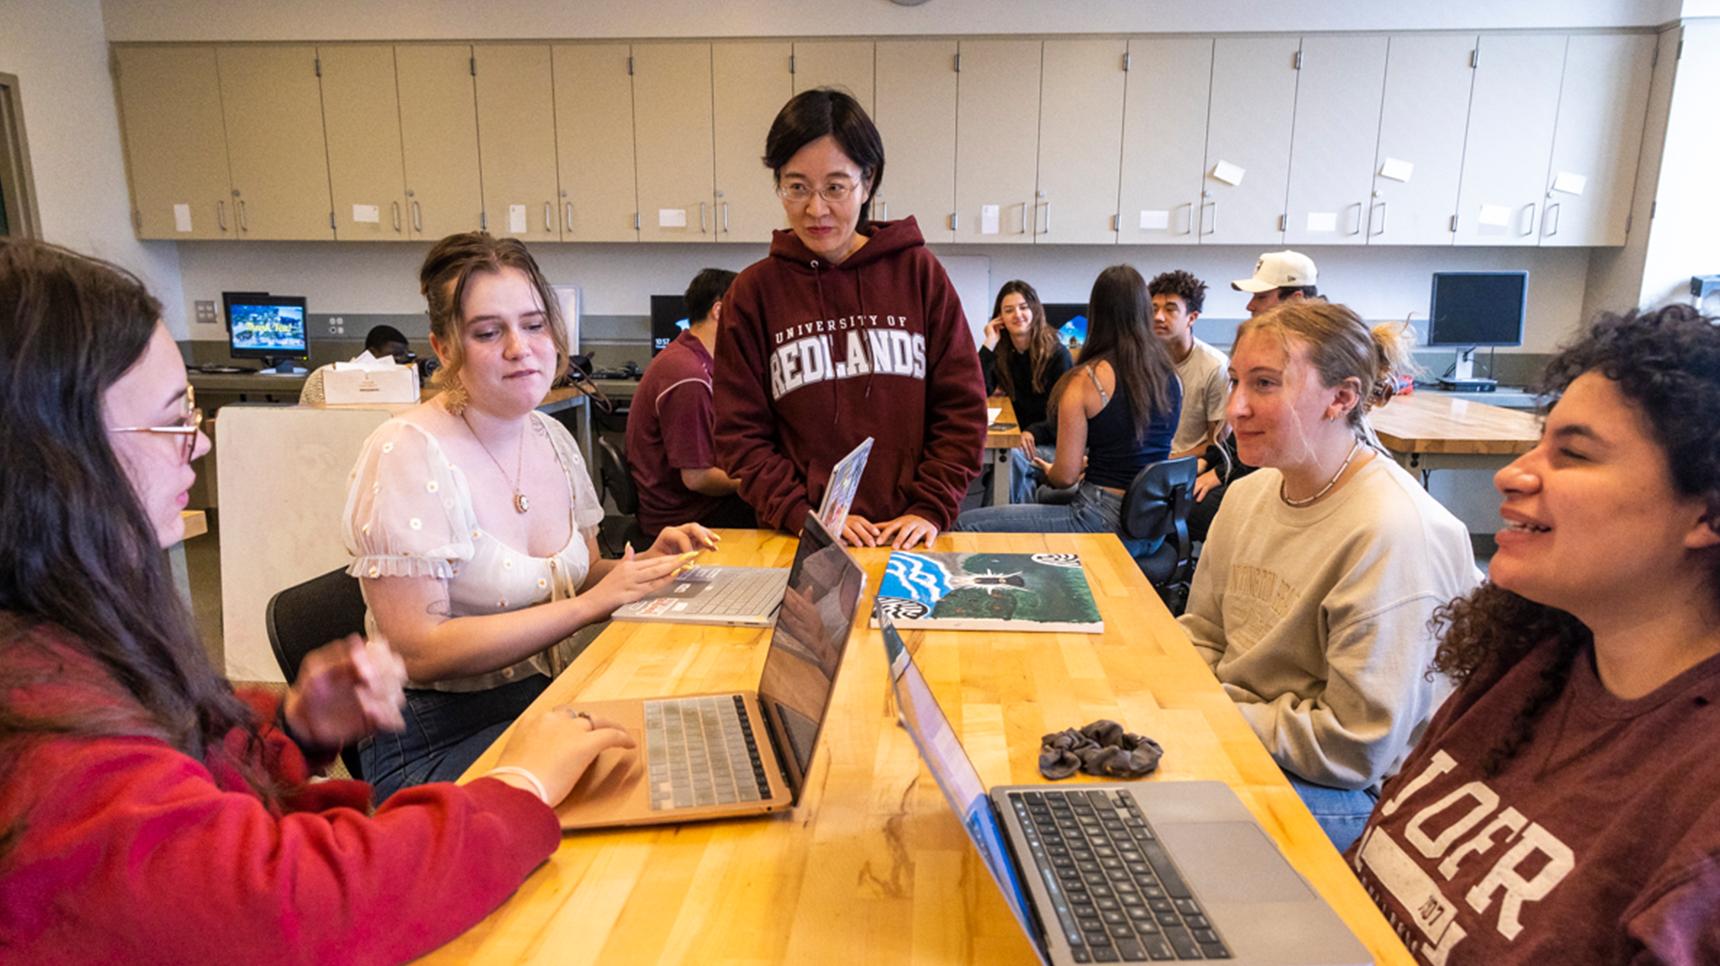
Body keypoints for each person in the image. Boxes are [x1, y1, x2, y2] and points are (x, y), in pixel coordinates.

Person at [0, 238, 637, 961]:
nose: (199, 446)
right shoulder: (42, 727)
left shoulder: (71, 631)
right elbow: (284, 910)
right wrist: (519, 784)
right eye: (175, 420)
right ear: (50, 452)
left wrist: (295, 732)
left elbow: (181, 793)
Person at [1351, 305, 1720, 963]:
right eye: (1539, 441)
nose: (1513, 473)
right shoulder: (1531, 658)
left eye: (1572, 454)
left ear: (1708, 513)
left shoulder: (1699, 809)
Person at [345, 232, 714, 800]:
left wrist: (632, 571)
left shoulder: (550, 436)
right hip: (433, 737)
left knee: (678, 753)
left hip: (544, 699)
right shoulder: (406, 450)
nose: (521, 348)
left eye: (535, 324)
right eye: (489, 332)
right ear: (443, 348)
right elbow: (418, 650)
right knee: (637, 786)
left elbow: (578, 572)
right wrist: (589, 605)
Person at [1178, 299, 1476, 852]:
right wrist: (1179, 704)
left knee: (1159, 824)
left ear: (1342, 397)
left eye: (1265, 384)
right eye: (1236, 381)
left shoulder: (1392, 530)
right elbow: (1203, 632)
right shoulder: (1247, 495)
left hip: (1358, 795)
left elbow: (1358, 748)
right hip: (1246, 735)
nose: (1235, 408)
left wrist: (1211, 713)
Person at [714, 87, 988, 551]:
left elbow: (961, 407)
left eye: (835, 187)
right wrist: (803, 514)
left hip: (912, 535)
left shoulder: (919, 274)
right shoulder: (754, 293)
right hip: (801, 538)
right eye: (796, 187)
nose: (815, 209)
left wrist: (930, 505)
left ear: (868, 181)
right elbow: (740, 436)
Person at [954, 265, 1181, 554]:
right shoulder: (1171, 375)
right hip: (1153, 525)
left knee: (965, 525)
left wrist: (1050, 470)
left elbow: (1064, 478)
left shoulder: (1088, 379)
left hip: (1099, 519)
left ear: (1096, 312)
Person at [1188, 249, 1323, 541]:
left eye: (1262, 297)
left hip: (1280, 482)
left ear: (1296, 300)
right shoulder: (1271, 345)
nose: (1250, 306)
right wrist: (1212, 461)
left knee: (1192, 509)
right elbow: (1243, 433)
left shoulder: (1315, 361)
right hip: (1250, 470)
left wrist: (1221, 473)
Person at [625, 267, 755, 540]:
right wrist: (754, 482)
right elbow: (697, 478)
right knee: (778, 507)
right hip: (683, 519)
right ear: (719, 310)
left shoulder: (688, 355)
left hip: (688, 506)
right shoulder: (688, 376)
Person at [979, 279, 1073, 504]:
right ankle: (1002, 533)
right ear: (1000, 318)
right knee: (1011, 462)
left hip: (1051, 444)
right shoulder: (1003, 353)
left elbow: (1065, 416)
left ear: (1035, 310)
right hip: (1016, 441)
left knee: (1009, 461)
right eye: (1008, 310)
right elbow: (975, 390)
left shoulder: (1057, 355)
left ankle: (989, 533)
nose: (1017, 315)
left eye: (1023, 307)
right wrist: (989, 343)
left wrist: (1033, 432)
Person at [1147, 269, 1227, 460]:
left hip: (1184, 467)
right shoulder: (1142, 359)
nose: (1158, 317)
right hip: (1143, 462)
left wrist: (1166, 461)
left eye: (1170, 309)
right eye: (1154, 309)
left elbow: (1217, 443)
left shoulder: (1214, 367)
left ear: (1192, 318)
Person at [298, 323, 414, 405]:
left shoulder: (397, 383)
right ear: (372, 353)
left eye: (405, 355)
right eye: (395, 355)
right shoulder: (323, 378)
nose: (401, 360)